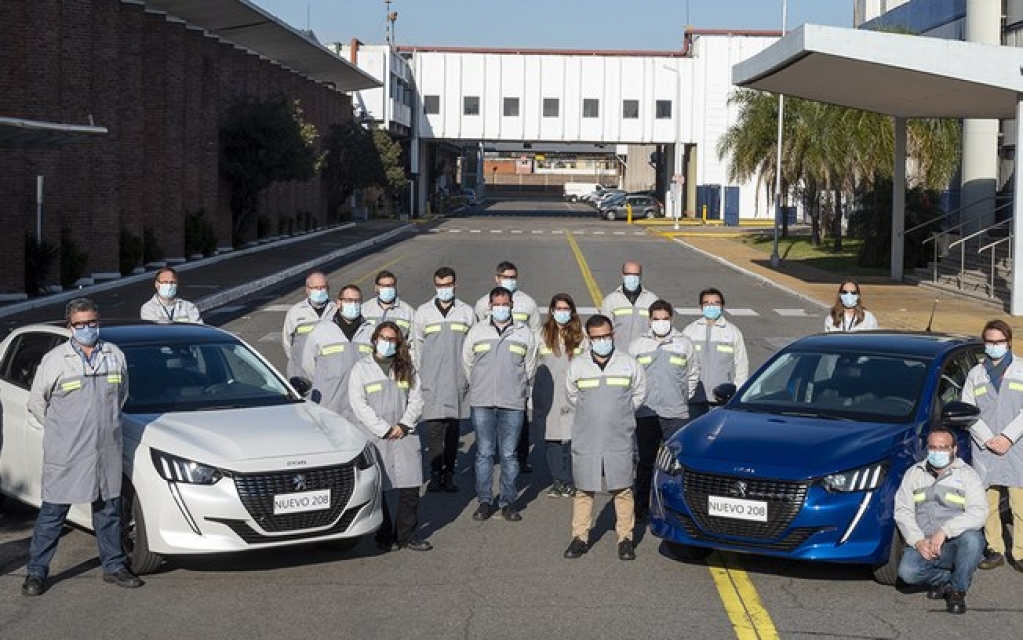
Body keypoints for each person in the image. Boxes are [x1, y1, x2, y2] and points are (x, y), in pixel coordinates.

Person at [22, 298, 142, 596]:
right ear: (70, 327)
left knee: (109, 510)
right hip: (68, 452)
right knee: (53, 513)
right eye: (80, 324)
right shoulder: (55, 360)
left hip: (106, 450)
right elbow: (37, 404)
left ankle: (114, 566)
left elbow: (121, 395)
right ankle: (36, 572)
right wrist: (65, 432)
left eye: (92, 322)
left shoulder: (114, 355)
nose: (87, 328)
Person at [563, 314, 646, 561]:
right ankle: (580, 538)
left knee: (622, 489)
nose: (602, 341)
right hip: (586, 437)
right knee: (584, 489)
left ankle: (625, 539)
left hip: (618, 437)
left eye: (606, 336)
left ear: (613, 335)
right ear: (589, 339)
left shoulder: (629, 364)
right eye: (597, 337)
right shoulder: (578, 366)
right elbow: (573, 396)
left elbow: (639, 394)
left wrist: (618, 413)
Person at [349, 321, 431, 552]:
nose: (387, 343)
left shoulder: (407, 367)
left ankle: (407, 535)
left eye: (392, 339)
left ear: (399, 343)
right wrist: (383, 429)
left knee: (410, 486)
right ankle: (384, 536)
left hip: (404, 434)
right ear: (375, 340)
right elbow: (359, 405)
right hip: (377, 436)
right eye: (383, 338)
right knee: (380, 488)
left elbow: (416, 399)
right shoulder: (361, 369)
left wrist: (404, 424)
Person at [894, 427, 987, 614]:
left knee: (973, 540)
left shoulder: (967, 475)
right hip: (924, 542)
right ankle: (946, 579)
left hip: (955, 542)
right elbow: (902, 511)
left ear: (954, 449)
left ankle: (957, 590)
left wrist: (945, 531)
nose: (937, 452)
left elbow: (979, 512)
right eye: (933, 447)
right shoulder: (914, 473)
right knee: (907, 573)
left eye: (943, 448)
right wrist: (917, 540)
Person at [463, 286, 537, 522]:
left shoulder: (524, 333)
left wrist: (517, 390)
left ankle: (508, 501)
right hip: (482, 401)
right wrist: (479, 385)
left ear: (512, 305)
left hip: (512, 402)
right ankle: (484, 500)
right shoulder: (477, 331)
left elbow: (529, 367)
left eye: (505, 304)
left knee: (509, 454)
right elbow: (467, 364)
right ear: (490, 307)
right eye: (497, 305)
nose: (501, 308)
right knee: (484, 453)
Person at [961, 319, 1023, 572]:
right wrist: (988, 439)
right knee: (988, 504)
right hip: (985, 447)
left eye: (999, 341)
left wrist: (1007, 437)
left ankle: (1020, 552)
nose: (994, 346)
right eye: (990, 341)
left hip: (1016, 446)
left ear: (1008, 342)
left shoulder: (1022, 369)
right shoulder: (975, 374)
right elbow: (968, 411)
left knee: (1020, 505)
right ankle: (995, 548)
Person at [628, 300, 699, 521]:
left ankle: (672, 509)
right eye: (656, 319)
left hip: (675, 414)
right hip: (646, 412)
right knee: (645, 461)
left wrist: (682, 397)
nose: (661, 322)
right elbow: (631, 377)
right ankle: (640, 506)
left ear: (671, 319)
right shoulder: (638, 345)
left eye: (665, 318)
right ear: (650, 320)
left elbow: (693, 374)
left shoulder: (684, 344)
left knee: (674, 465)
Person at [412, 267, 476, 493]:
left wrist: (469, 376)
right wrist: (421, 375)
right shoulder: (423, 312)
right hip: (432, 381)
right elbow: (416, 347)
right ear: (434, 286)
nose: (444, 289)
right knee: (433, 431)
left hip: (457, 380)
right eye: (440, 285)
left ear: (455, 285)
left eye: (448, 285)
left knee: (452, 429)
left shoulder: (466, 312)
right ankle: (435, 473)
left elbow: (471, 348)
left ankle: (449, 473)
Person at [474, 261, 541, 472]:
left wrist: (525, 375)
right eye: (506, 277)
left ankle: (522, 457)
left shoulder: (528, 303)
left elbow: (535, 337)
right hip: (490, 371)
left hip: (516, 369)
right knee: (489, 423)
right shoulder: (483, 303)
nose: (509, 280)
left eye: (513, 277)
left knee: (519, 418)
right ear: (497, 278)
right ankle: (492, 455)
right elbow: (475, 341)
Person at [532, 294, 587, 498]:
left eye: (566, 309)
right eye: (558, 309)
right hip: (550, 394)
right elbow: (532, 364)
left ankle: (573, 480)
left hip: (576, 394)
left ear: (571, 311)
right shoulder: (540, 334)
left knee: (575, 440)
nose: (562, 313)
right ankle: (559, 480)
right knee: (553, 438)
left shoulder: (581, 336)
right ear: (552, 311)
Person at [302, 284, 374, 425]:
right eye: (348, 300)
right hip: (330, 408)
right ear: (338, 303)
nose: (353, 304)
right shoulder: (321, 331)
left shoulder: (371, 332)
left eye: (357, 301)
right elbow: (309, 367)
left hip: (362, 410)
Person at [681, 287, 749, 419]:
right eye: (707, 303)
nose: (711, 306)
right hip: (695, 398)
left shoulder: (732, 333)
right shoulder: (690, 331)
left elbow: (741, 366)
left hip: (722, 400)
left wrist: (737, 394)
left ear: (722, 306)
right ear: (701, 307)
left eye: (715, 303)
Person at [281, 271, 336, 380]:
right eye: (315, 288)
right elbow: (287, 342)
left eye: (323, 287)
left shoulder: (335, 310)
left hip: (330, 375)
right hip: (301, 376)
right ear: (307, 289)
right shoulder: (295, 312)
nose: (319, 291)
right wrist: (300, 362)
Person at [600, 261, 659, 351]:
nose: (632, 278)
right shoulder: (611, 301)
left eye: (636, 274)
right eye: (629, 274)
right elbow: (604, 331)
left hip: (644, 354)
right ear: (622, 275)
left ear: (641, 276)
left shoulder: (652, 300)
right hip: (620, 356)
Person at [362, 270, 415, 339]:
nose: (387, 289)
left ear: (395, 288)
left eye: (390, 286)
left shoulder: (409, 312)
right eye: (383, 286)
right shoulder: (364, 310)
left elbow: (414, 339)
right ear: (376, 288)